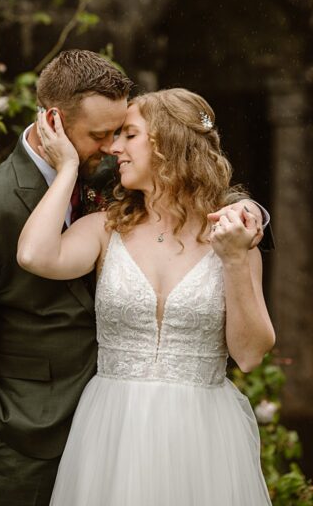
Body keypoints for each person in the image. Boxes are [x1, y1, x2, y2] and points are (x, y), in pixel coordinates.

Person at [0, 50, 267, 506]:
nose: (113, 147)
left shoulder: (120, 174)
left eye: (123, 133)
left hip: (186, 429)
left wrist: (250, 215)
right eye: (103, 135)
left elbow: (190, 181)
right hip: (44, 426)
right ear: (55, 122)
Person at [17, 88, 274, 505]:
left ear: (167, 144)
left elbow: (250, 355)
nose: (115, 147)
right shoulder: (106, 229)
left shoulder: (233, 237)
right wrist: (66, 170)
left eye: (129, 135)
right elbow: (33, 255)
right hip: (112, 427)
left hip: (203, 436)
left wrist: (233, 261)